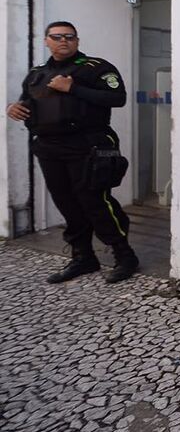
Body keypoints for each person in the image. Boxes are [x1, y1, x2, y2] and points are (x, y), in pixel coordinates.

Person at [6, 21, 139, 284]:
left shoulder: (96, 68)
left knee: (95, 201)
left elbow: (118, 98)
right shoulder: (37, 73)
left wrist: (73, 88)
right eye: (56, 37)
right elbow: (28, 102)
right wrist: (15, 108)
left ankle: (125, 256)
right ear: (46, 41)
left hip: (88, 145)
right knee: (66, 202)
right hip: (49, 147)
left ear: (77, 41)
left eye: (69, 36)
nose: (63, 41)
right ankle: (83, 257)